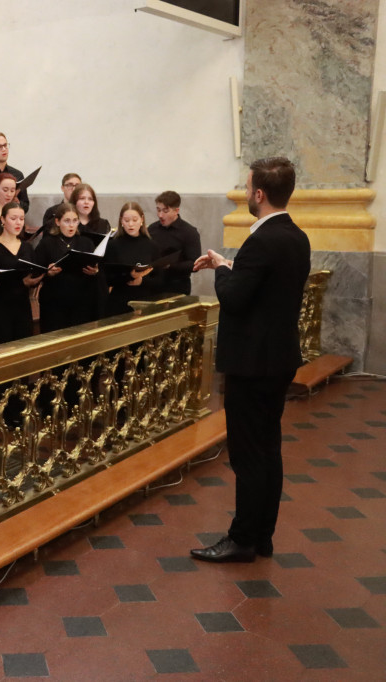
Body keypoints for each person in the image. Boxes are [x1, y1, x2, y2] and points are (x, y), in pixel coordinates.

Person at [190, 157, 311, 563]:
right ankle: (262, 536)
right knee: (268, 448)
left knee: (246, 454)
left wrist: (222, 273)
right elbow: (262, 290)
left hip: (252, 364)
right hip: (277, 359)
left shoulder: (263, 239)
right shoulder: (296, 236)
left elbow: (235, 297)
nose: (245, 193)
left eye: (246, 187)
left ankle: (242, 538)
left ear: (259, 193)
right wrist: (230, 265)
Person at [0, 202, 43, 345]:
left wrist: (39, 278)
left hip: (22, 308)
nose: (18, 222)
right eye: (13, 218)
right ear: (2, 220)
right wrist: (22, 283)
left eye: (21, 218)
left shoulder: (27, 247)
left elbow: (33, 274)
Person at [35, 202, 101, 332]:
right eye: (67, 221)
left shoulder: (86, 242)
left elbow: (96, 268)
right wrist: (48, 272)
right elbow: (36, 271)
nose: (71, 225)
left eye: (75, 221)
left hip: (81, 301)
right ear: (57, 222)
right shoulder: (47, 243)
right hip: (54, 302)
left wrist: (95, 271)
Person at [104, 202, 160, 317]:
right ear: (121, 221)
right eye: (126, 220)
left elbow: (160, 279)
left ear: (142, 220)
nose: (130, 224)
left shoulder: (151, 245)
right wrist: (128, 276)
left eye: (135, 220)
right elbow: (107, 277)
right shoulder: (113, 245)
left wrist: (141, 281)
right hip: (119, 302)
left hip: (145, 302)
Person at [148, 190, 202, 295]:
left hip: (177, 287)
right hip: (153, 285)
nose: (160, 215)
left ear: (176, 211)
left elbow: (195, 264)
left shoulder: (189, 232)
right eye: (158, 210)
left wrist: (170, 266)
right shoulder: (152, 229)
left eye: (165, 211)